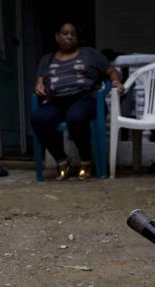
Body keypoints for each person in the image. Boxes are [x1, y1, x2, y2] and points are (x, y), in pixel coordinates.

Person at [31, 22, 124, 181]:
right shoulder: (47, 59)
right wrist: (39, 85)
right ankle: (61, 160)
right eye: (65, 33)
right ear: (57, 37)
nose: (69, 37)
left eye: (73, 34)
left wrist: (116, 82)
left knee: (76, 117)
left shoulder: (90, 54)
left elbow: (112, 71)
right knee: (38, 118)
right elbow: (40, 81)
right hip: (57, 101)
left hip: (85, 99)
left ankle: (86, 161)